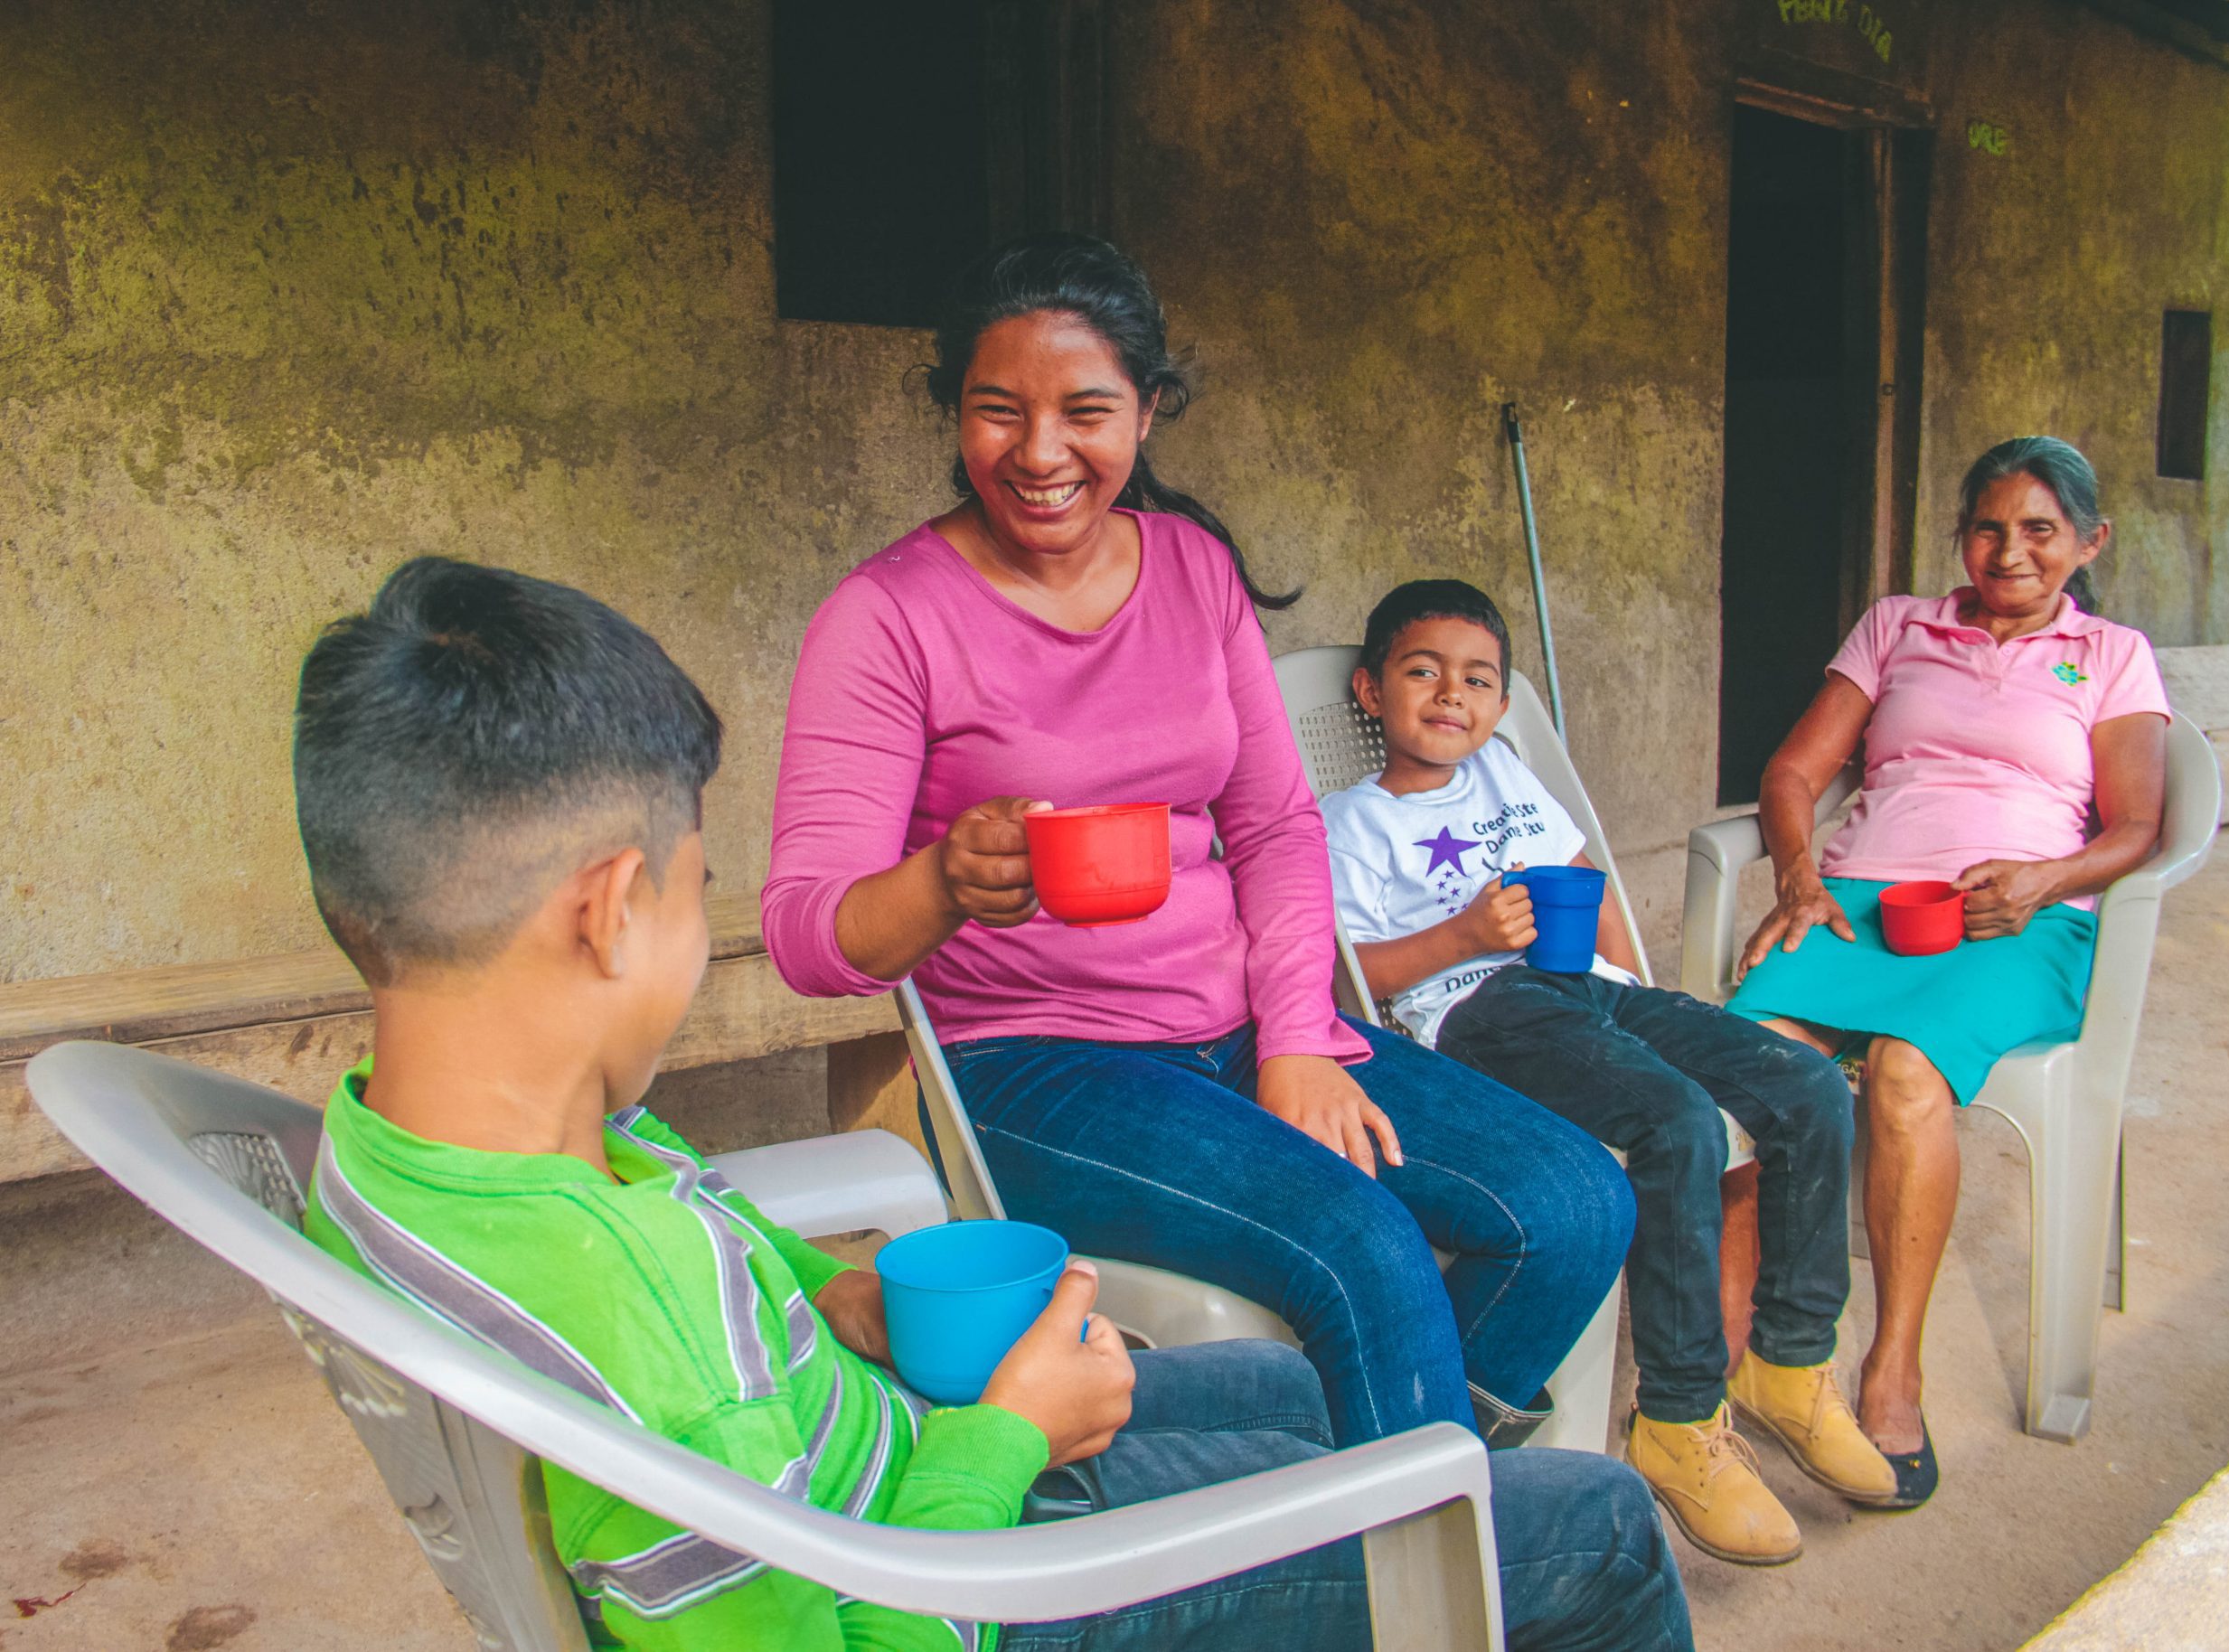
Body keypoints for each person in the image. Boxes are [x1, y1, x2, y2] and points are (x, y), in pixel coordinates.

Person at [289, 556, 1694, 1651]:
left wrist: (842, 1303)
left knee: (1299, 1390)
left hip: (907, 1468)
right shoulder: (659, 1332)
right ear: (607, 911)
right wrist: (1006, 1433)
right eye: (696, 890)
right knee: (1601, 1523)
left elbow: (694, 1216)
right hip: (997, 1583)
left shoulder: (412, 1147)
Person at [761, 231, 1635, 1451]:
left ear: (1150, 411)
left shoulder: (1194, 570)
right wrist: (941, 881)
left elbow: (1276, 826)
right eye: (996, 411)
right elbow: (808, 934)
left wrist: (1293, 1039)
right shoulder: (886, 618)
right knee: (1365, 1245)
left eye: (1087, 411)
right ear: (954, 411)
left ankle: (1376, 1499)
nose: (1041, 453)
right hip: (1035, 1067)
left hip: (1240, 1027)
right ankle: (1423, 1553)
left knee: (1575, 1201)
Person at [1317, 580, 1892, 1567]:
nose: (1450, 694)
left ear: (1500, 706)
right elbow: (1344, 976)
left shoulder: (1505, 773)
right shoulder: (1347, 820)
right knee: (1676, 1121)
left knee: (1800, 1084)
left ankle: (1790, 1364)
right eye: (1422, 671)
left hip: (1590, 988)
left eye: (1476, 679)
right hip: (1474, 1010)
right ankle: (1674, 1417)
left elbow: (1583, 876)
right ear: (1371, 692)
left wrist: (1636, 989)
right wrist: (1461, 933)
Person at [1726, 436, 2170, 1507]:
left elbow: (2138, 825)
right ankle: (1730, 1352)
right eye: (1987, 526)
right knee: (1744, 1061)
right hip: (1856, 899)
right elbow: (1793, 770)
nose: (2007, 551)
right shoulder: (1896, 624)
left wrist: (2043, 877)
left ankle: (1891, 1365)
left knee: (1906, 1071)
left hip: (2013, 923)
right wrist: (1796, 878)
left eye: (2037, 530)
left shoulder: (2110, 652)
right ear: (1958, 533)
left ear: (2086, 542)